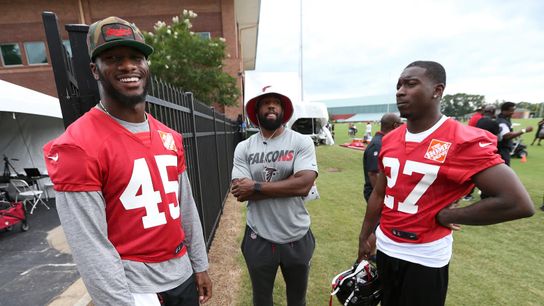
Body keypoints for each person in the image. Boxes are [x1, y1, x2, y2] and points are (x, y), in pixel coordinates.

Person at [43, 17, 211, 306]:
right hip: (135, 289)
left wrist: (200, 264)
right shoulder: (77, 144)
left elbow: (186, 208)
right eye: (113, 58)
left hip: (181, 275)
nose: (128, 66)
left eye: (136, 57)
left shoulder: (169, 136)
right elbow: (91, 248)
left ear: (147, 66)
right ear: (95, 69)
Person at [357, 61, 534, 306]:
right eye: (398, 85)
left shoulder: (461, 140)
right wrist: (365, 235)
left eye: (410, 83)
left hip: (425, 256)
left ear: (437, 90)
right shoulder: (391, 138)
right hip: (387, 246)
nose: (400, 91)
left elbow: (517, 203)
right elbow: (379, 193)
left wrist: (450, 215)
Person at [231, 86, 318, 306]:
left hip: (297, 235)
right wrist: (287, 184)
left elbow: (304, 185)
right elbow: (240, 192)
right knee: (261, 300)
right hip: (259, 237)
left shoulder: (301, 141)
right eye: (265, 102)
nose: (271, 105)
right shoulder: (244, 147)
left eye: (276, 102)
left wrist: (256, 187)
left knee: (297, 300)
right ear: (256, 110)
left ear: (283, 109)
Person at [362, 113, 402, 203]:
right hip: (376, 194)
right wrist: (383, 197)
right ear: (395, 126)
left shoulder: (385, 141)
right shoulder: (378, 144)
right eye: (401, 124)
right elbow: (373, 173)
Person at [496, 102, 533, 166]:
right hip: (502, 150)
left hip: (503, 149)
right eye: (511, 111)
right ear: (504, 111)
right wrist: (524, 130)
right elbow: (506, 135)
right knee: (505, 170)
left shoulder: (505, 119)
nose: (513, 112)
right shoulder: (502, 122)